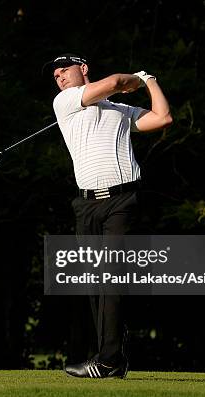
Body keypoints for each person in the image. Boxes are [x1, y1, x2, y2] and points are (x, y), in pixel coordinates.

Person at [48, 53, 172, 378]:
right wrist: (136, 78)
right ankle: (111, 358)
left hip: (121, 201)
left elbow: (162, 117)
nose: (59, 77)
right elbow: (117, 82)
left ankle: (108, 361)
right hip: (86, 204)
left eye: (65, 70)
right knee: (94, 283)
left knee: (111, 279)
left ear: (83, 69)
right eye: (56, 74)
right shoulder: (65, 101)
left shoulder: (120, 111)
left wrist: (150, 81)